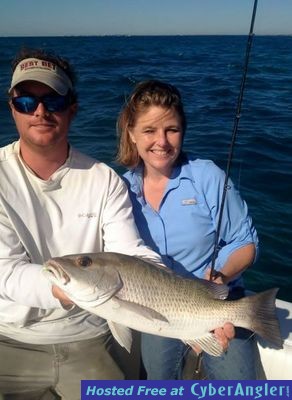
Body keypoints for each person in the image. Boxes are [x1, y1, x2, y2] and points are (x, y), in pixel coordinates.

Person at [0, 48, 169, 400]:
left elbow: (128, 253)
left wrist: (170, 287)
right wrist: (63, 288)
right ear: (12, 107)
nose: (41, 112)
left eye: (54, 101)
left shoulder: (104, 179)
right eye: (27, 102)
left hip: (89, 336)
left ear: (72, 108)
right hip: (9, 338)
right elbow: (5, 271)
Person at [116, 79, 260, 380]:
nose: (162, 141)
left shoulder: (207, 176)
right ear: (131, 133)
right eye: (149, 130)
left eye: (172, 129)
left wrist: (221, 276)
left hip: (219, 301)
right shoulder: (120, 190)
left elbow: (245, 242)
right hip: (159, 308)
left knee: (237, 388)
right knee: (158, 384)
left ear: (183, 131)